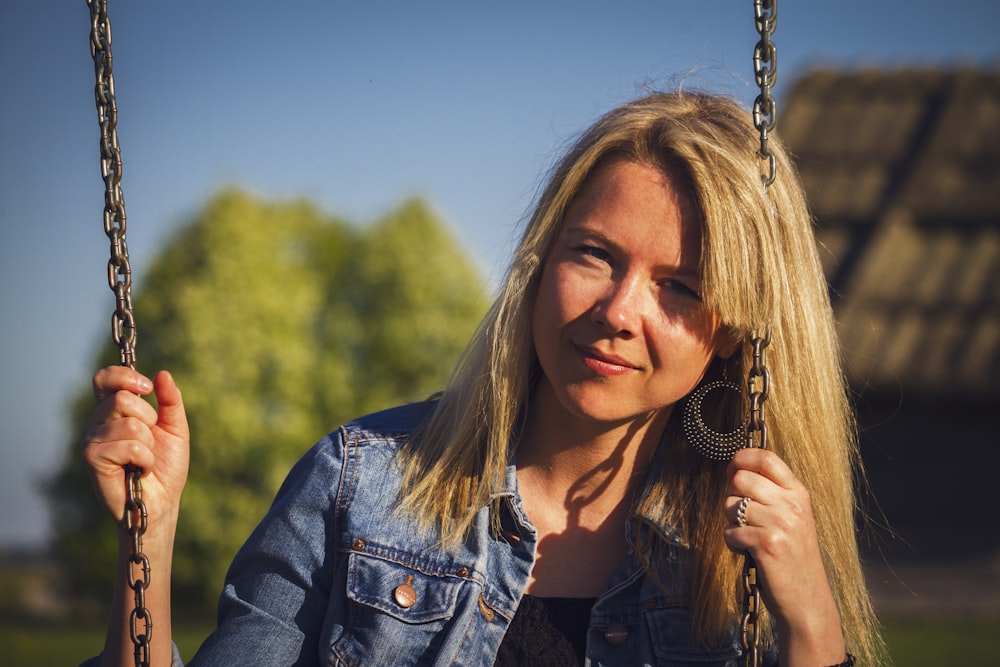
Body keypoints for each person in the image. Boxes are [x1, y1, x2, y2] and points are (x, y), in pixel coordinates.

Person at [81, 90, 884, 666]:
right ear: (541, 263)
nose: (619, 310)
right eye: (595, 255)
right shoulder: (358, 484)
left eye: (681, 286)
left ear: (737, 335)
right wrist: (146, 540)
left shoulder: (747, 559)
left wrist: (813, 631)